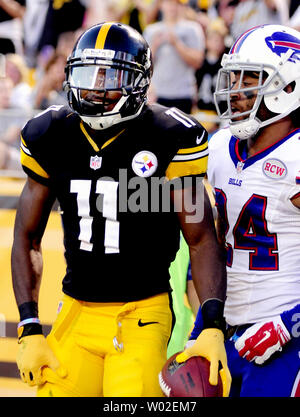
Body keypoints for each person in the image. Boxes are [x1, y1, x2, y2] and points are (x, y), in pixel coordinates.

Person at [11, 22, 230, 397]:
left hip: (141, 314)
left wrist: (212, 321)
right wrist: (29, 325)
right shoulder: (50, 132)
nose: (95, 86)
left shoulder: (168, 135)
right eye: (87, 72)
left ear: (138, 83)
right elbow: (26, 236)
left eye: (109, 75)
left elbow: (201, 237)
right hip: (76, 311)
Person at [188, 24, 300, 397]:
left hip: (286, 339)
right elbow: (211, 240)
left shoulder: (296, 157)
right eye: (233, 78)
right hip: (227, 331)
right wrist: (208, 318)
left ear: (289, 86)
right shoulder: (219, 146)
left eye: (250, 78)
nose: (235, 91)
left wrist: (289, 325)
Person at [143, 0, 205, 114]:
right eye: (168, 3)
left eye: (175, 3)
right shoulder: (151, 30)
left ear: (181, 6)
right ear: (161, 5)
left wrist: (176, 43)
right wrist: (154, 46)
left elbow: (198, 62)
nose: (172, 7)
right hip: (156, 95)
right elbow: (143, 66)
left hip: (183, 94)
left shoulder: (192, 29)